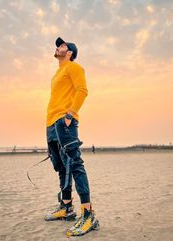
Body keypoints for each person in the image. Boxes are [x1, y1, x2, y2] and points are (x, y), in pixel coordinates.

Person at [45, 37, 99, 237]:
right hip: (51, 124)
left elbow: (83, 91)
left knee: (75, 163)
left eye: (62, 46)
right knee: (60, 165)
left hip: (64, 121)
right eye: (58, 45)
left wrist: (70, 114)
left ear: (70, 52)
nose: (58, 47)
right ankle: (66, 207)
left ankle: (88, 213)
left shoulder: (74, 67)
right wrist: (50, 125)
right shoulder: (57, 74)